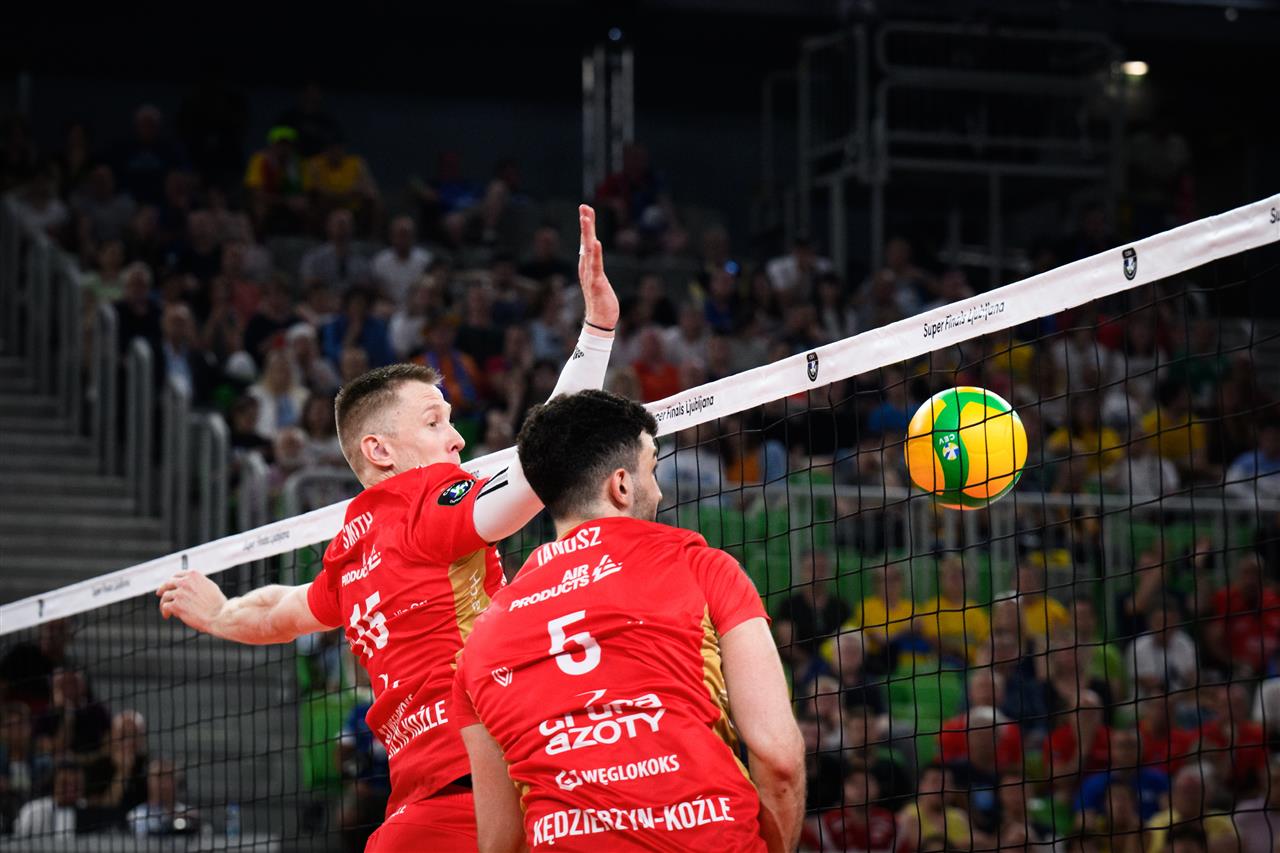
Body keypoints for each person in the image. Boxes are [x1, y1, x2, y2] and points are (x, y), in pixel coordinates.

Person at [156, 205, 619, 852]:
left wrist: (220, 613)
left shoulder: (350, 549)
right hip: (485, 797)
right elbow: (546, 458)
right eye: (434, 422)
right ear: (380, 450)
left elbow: (282, 612)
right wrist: (596, 332)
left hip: (455, 795)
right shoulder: (428, 503)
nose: (457, 438)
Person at [451, 389, 805, 852]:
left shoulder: (480, 641)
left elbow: (500, 841)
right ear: (621, 485)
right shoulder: (702, 568)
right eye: (652, 470)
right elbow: (778, 758)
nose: (658, 491)